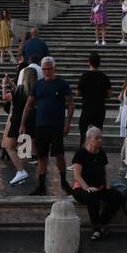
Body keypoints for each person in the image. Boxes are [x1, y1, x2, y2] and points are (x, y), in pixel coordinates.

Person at [30, 56, 74, 195]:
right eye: (44, 69)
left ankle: (63, 182)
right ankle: (41, 185)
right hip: (41, 125)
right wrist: (22, 124)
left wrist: (67, 123)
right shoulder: (38, 85)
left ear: (54, 69)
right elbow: (29, 104)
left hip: (56, 125)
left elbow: (71, 105)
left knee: (59, 154)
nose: (47, 72)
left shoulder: (62, 84)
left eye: (49, 69)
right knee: (41, 156)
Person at [70, 126, 122, 240]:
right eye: (97, 138)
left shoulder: (101, 153)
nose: (100, 140)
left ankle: (102, 223)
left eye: (101, 138)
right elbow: (77, 175)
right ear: (89, 139)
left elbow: (104, 171)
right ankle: (97, 229)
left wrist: (107, 184)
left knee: (117, 196)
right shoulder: (81, 154)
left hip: (100, 187)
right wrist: (86, 187)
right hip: (82, 188)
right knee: (92, 197)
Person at [77, 52, 111, 144]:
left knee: (83, 132)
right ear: (99, 63)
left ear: (89, 62)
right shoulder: (104, 77)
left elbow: (78, 92)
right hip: (99, 108)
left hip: (87, 108)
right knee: (98, 132)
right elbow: (109, 94)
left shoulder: (84, 76)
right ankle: (97, 149)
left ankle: (83, 148)